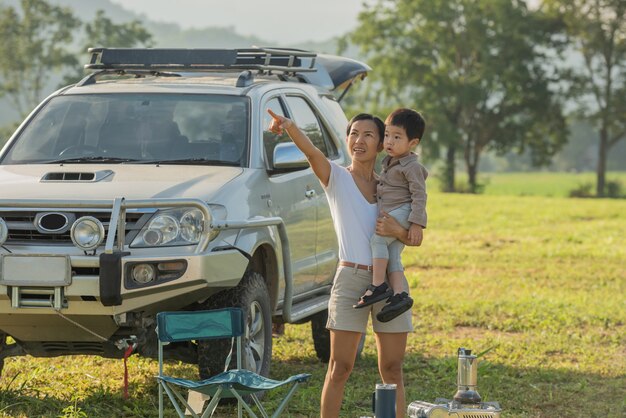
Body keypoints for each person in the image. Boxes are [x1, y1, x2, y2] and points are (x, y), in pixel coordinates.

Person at [267, 109, 419, 418]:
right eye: (353, 134)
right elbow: (311, 152)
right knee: (340, 367)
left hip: (389, 280)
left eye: (368, 135)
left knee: (392, 368)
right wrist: (290, 127)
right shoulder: (336, 177)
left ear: (382, 144)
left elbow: (413, 238)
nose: (358, 141)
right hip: (350, 279)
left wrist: (397, 231)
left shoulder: (390, 186)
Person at [353, 108, 428, 323]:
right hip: (396, 212)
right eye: (387, 135)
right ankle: (399, 295)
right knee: (393, 255)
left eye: (397, 137)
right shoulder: (390, 162)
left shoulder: (411, 166)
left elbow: (420, 195)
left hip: (403, 212)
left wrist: (416, 224)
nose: (389, 142)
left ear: (412, 143)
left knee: (377, 240)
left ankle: (377, 286)